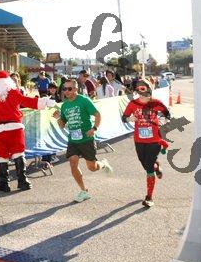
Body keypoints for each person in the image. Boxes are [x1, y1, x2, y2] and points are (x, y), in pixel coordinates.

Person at [0, 70, 56, 192]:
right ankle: (22, 180)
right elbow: (27, 101)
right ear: (8, 81)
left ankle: (4, 183)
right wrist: (44, 102)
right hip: (15, 128)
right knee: (18, 153)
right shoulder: (13, 92)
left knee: (1, 156)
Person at [52, 79, 112, 202]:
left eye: (69, 89)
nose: (66, 91)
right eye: (64, 89)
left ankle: (102, 164)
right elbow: (62, 125)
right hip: (73, 140)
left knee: (92, 167)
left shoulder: (84, 100)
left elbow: (97, 114)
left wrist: (94, 128)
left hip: (86, 139)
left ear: (76, 89)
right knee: (73, 163)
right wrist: (58, 118)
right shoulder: (65, 105)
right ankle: (84, 191)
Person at [121, 79, 170, 208]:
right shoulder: (133, 104)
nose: (141, 92)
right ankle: (156, 167)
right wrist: (130, 118)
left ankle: (149, 197)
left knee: (148, 169)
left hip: (154, 140)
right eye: (138, 89)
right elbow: (123, 117)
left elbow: (167, 114)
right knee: (145, 164)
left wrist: (162, 124)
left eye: (143, 88)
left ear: (149, 89)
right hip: (139, 140)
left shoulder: (156, 103)